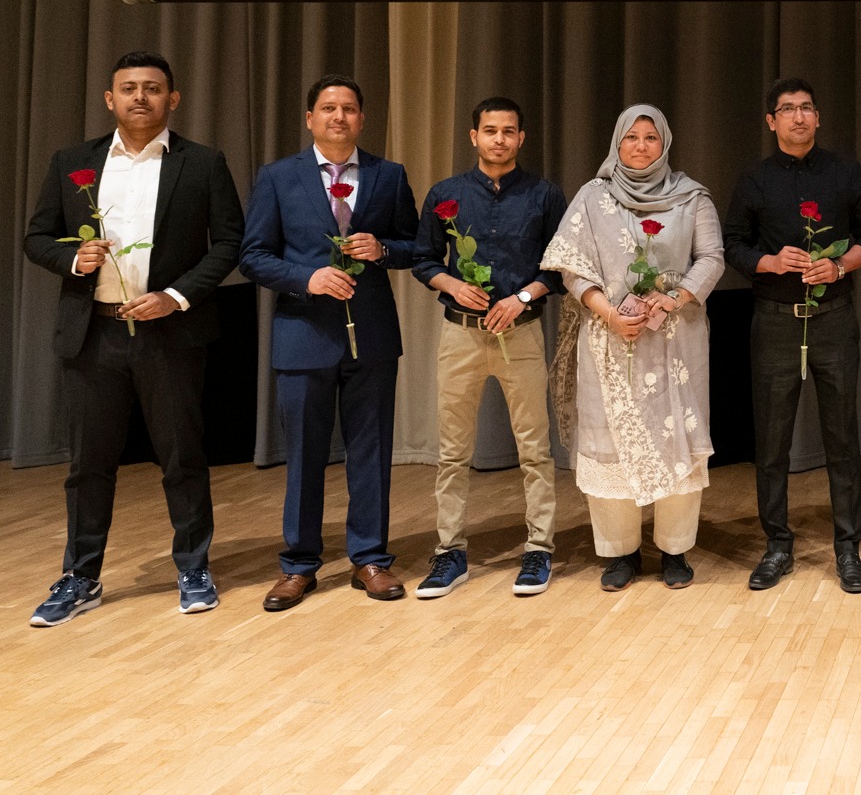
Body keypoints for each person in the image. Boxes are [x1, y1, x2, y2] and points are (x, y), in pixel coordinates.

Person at [22, 52, 244, 626]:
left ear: (173, 99)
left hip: (169, 331)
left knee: (182, 457)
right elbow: (37, 236)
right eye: (128, 88)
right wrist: (75, 259)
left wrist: (175, 296)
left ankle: (193, 568)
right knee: (88, 464)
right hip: (92, 333)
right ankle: (81, 576)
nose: (139, 97)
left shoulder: (203, 162)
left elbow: (229, 243)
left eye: (152, 88)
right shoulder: (73, 162)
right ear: (110, 99)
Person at [240, 74, 420, 610]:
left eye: (348, 108)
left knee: (371, 451)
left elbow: (416, 246)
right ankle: (298, 565)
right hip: (303, 334)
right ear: (310, 119)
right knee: (304, 455)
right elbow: (253, 256)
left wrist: (383, 250)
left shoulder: (389, 175)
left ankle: (371, 558)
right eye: (327, 108)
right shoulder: (278, 177)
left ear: (362, 119)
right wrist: (307, 278)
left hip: (373, 336)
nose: (338, 116)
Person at [541, 105, 724, 591]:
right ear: (617, 144)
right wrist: (609, 313)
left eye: (651, 137)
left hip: (676, 341)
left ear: (665, 144)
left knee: (678, 437)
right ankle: (620, 553)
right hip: (609, 339)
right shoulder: (592, 196)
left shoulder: (691, 196)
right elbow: (571, 267)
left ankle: (674, 550)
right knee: (610, 442)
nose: (641, 146)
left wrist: (674, 298)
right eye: (632, 137)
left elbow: (711, 258)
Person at [723, 78, 861, 594]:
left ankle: (848, 547)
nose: (799, 117)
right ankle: (777, 544)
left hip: (834, 317)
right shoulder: (754, 179)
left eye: (807, 108)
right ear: (771, 121)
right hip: (774, 318)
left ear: (818, 117)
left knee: (842, 437)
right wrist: (768, 262)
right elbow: (732, 244)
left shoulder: (844, 171)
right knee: (772, 442)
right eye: (788, 109)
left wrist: (839, 266)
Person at [410, 97, 569, 598]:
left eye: (508, 131)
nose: (499, 139)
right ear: (473, 136)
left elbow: (561, 267)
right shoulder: (446, 193)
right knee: (453, 452)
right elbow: (423, 259)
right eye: (490, 130)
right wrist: (452, 285)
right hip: (460, 334)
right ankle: (449, 552)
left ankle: (539, 548)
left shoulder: (545, 194)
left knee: (535, 449)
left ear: (521, 138)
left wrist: (522, 297)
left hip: (521, 333)